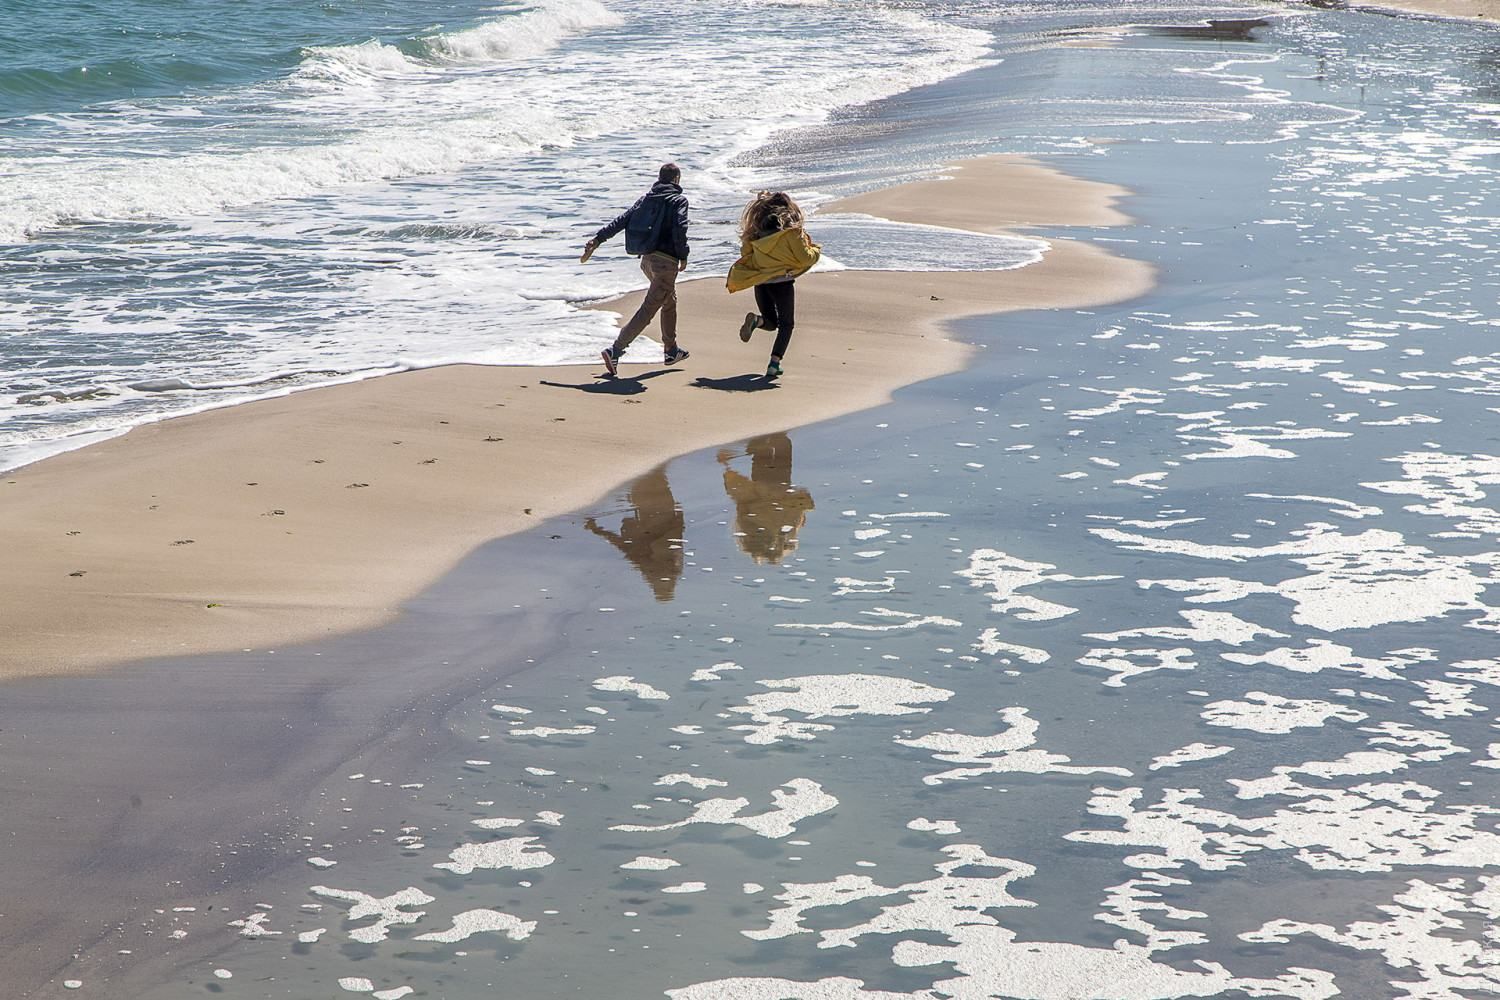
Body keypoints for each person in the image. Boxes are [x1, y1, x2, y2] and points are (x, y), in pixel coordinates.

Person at [583, 163, 691, 377]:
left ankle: (671, 350)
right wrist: (683, 254)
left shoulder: (646, 199)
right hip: (665, 263)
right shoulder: (678, 200)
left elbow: (621, 220)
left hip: (647, 261)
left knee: (669, 299)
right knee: (648, 309)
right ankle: (615, 350)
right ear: (677, 179)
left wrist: (598, 239)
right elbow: (680, 227)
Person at [725, 191, 821, 380]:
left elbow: (746, 254)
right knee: (787, 325)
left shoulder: (755, 233)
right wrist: (816, 251)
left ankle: (756, 321)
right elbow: (804, 258)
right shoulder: (791, 233)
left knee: (770, 322)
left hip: (761, 282)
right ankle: (774, 364)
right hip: (782, 283)